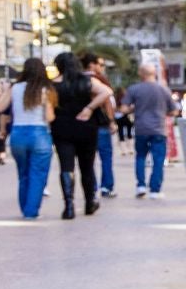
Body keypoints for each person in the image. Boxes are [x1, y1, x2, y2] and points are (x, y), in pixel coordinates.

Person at [48, 51, 112, 219]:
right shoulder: (87, 81)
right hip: (86, 127)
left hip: (61, 128)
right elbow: (106, 92)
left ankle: (69, 205)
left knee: (66, 167)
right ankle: (90, 202)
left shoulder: (52, 85)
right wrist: (89, 108)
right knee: (87, 166)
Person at [0, 57, 55, 219]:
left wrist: (6, 90)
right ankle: (31, 211)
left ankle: (25, 209)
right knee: (38, 173)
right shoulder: (45, 89)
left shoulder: (15, 88)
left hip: (18, 134)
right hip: (39, 133)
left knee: (23, 173)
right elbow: (49, 117)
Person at [121, 62, 177, 198]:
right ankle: (155, 190)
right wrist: (163, 112)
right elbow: (174, 111)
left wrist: (135, 108)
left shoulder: (134, 89)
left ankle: (140, 186)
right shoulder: (164, 90)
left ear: (141, 73)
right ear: (154, 73)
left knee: (140, 157)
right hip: (159, 129)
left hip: (141, 129)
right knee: (158, 160)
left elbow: (123, 109)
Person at [84, 55, 119, 198]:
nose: (102, 68)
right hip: (100, 124)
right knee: (106, 157)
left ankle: (92, 187)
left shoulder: (76, 79)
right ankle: (106, 186)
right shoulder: (98, 80)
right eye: (101, 64)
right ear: (91, 65)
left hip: (84, 124)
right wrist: (111, 121)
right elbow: (107, 101)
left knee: (88, 158)